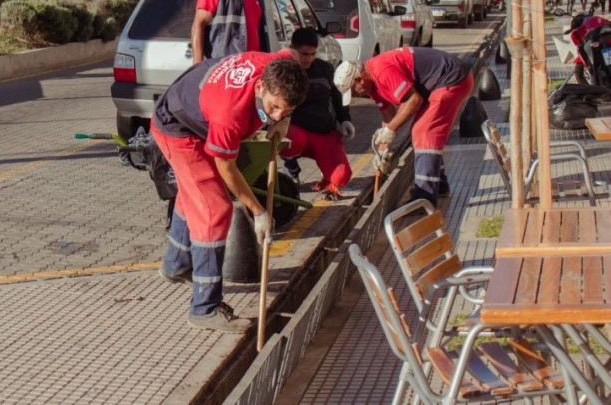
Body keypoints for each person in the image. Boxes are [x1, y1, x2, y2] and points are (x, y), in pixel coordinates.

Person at [151, 49, 308, 333]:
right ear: (260, 86)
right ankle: (204, 308)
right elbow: (226, 166)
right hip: (178, 128)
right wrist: (258, 211)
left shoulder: (280, 67)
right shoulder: (229, 112)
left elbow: (293, 53)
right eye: (273, 107)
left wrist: (283, 120)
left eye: (287, 111)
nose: (276, 115)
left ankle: (175, 265)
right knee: (215, 209)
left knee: (194, 193)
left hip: (194, 111)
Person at [334, 47, 473, 208]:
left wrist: (390, 130)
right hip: (442, 82)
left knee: (424, 131)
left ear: (360, 79)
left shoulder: (381, 71)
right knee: (420, 131)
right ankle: (439, 185)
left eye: (354, 91)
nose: (357, 95)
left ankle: (425, 198)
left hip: (453, 78)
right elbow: (389, 116)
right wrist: (383, 151)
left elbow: (414, 100)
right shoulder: (371, 86)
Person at [281, 28, 354, 197]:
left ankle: (327, 174)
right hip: (295, 130)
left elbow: (338, 97)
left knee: (341, 177)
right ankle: (291, 167)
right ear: (292, 48)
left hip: (323, 131)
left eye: (313, 54)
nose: (309, 59)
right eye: (304, 54)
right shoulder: (283, 70)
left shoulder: (325, 69)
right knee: (289, 142)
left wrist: (345, 120)